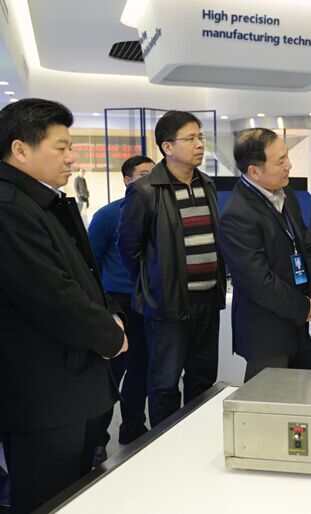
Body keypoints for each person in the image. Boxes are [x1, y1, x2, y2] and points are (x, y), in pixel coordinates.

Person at [0, 98, 127, 513]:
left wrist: (109, 315)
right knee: (46, 496)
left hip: (70, 386)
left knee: (72, 493)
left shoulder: (42, 202)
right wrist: (110, 335)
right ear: (21, 150)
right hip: (44, 395)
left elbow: (81, 276)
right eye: (61, 147)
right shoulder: (10, 208)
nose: (72, 157)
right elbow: (52, 295)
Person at [118, 111, 226, 427]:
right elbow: (129, 249)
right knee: (165, 385)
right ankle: (164, 443)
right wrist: (154, 283)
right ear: (167, 146)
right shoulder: (145, 190)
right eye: (190, 138)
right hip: (168, 306)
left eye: (200, 137)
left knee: (202, 381)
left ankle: (196, 440)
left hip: (208, 301)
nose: (199, 144)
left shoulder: (207, 184)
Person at [218, 128, 311, 382]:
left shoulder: (286, 195)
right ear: (255, 171)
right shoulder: (238, 213)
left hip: (297, 322)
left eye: (287, 156)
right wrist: (303, 307)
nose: (289, 165)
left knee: (304, 393)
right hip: (266, 331)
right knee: (267, 399)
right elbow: (259, 281)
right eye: (280, 160)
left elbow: (306, 247)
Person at [88, 155, 154, 460]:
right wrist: (103, 305)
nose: (150, 179)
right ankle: (97, 439)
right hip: (118, 303)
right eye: (143, 174)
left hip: (150, 303)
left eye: (153, 173)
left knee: (141, 371)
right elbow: (90, 261)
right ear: (127, 180)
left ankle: (133, 427)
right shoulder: (107, 216)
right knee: (110, 375)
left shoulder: (159, 214)